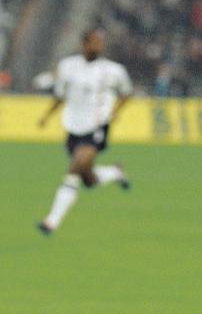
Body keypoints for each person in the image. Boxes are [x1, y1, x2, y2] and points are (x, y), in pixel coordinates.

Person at [36, 29, 133, 236]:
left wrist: (115, 112)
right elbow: (60, 96)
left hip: (97, 127)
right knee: (87, 178)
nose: (99, 46)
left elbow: (126, 94)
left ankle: (51, 221)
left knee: (74, 169)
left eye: (101, 43)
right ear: (84, 43)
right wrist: (46, 116)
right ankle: (115, 172)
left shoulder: (113, 70)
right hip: (73, 127)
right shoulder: (68, 66)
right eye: (95, 42)